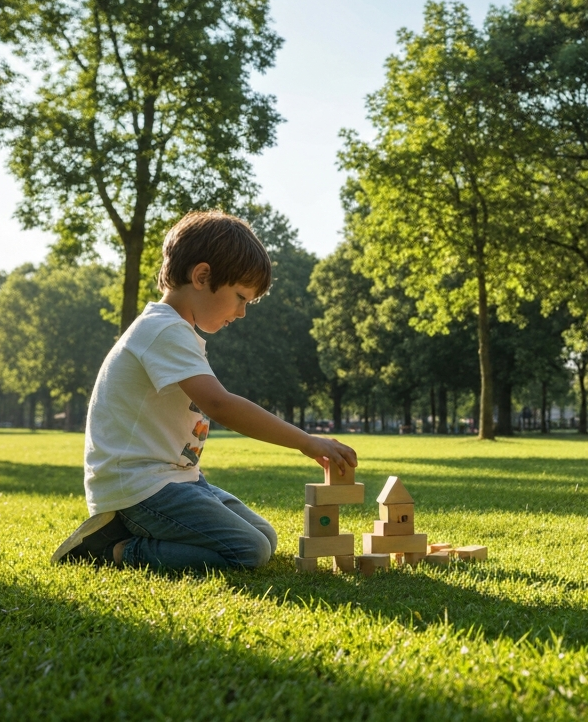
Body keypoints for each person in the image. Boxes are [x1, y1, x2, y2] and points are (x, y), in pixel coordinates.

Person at [51, 211, 358, 569]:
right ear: (202, 276)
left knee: (265, 538)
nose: (242, 312)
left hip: (178, 479)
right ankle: (113, 550)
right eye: (241, 297)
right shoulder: (164, 330)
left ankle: (133, 534)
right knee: (249, 551)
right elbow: (219, 404)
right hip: (139, 487)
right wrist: (306, 441)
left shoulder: (176, 331)